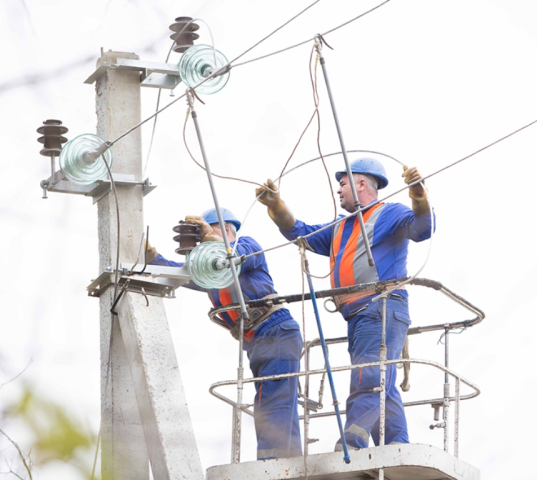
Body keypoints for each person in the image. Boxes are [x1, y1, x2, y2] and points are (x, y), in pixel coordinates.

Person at [256, 158, 434, 451]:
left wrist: (418, 196)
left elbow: (422, 228)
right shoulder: (341, 227)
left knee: (370, 376)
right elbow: (299, 232)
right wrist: (276, 206)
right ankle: (396, 446)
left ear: (361, 183)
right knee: (381, 382)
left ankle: (351, 443)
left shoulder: (389, 214)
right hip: (359, 316)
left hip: (382, 307)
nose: (338, 190)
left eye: (342, 183)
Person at [145, 207, 303, 460]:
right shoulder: (211, 273)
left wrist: (211, 240)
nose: (201, 242)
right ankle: (290, 460)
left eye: (208, 232)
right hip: (257, 338)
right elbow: (178, 272)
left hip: (274, 328)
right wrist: (150, 255)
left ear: (227, 229)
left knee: (274, 399)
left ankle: (272, 461)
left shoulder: (246, 244)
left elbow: (235, 257)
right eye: (199, 238)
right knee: (274, 398)